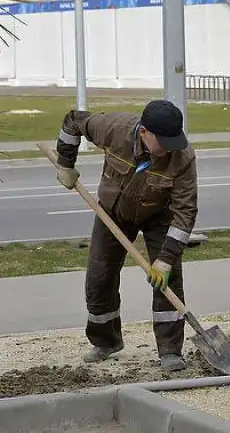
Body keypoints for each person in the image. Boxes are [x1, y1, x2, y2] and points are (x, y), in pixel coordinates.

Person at [53, 99, 198, 371]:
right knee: (99, 275)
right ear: (144, 132)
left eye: (174, 141)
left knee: (168, 281)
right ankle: (106, 341)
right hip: (113, 212)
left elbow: (185, 213)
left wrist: (165, 259)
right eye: (164, 141)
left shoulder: (183, 157)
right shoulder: (113, 128)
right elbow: (72, 121)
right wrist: (65, 163)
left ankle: (170, 350)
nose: (169, 148)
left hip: (159, 215)